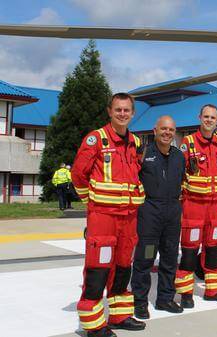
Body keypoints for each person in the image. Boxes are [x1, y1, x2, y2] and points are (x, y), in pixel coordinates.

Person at [72, 93, 146, 337]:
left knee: (124, 264)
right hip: (103, 216)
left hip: (129, 216)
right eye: (118, 110)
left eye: (126, 110)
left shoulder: (135, 141)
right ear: (109, 111)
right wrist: (90, 202)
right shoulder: (96, 139)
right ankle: (93, 325)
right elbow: (78, 175)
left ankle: (120, 314)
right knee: (98, 268)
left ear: (132, 113)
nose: (122, 114)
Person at [174, 104, 217, 307]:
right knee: (190, 251)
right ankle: (185, 293)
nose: (209, 120)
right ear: (200, 117)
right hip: (194, 205)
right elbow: (179, 173)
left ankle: (214, 290)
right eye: (206, 116)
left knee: (213, 250)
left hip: (214, 206)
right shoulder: (188, 143)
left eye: (213, 117)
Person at [131, 116, 186, 319]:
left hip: (172, 212)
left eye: (171, 130)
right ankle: (140, 302)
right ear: (155, 130)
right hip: (150, 213)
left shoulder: (180, 157)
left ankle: (165, 299)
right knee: (145, 258)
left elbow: (181, 181)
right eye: (163, 129)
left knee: (170, 258)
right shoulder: (144, 153)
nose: (167, 133)